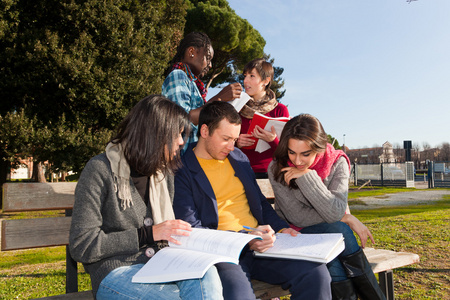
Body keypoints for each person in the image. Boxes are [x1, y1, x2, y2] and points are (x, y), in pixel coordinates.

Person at [173, 101, 332, 300]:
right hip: (224, 254)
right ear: (205, 131)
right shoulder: (182, 170)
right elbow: (192, 229)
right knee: (239, 296)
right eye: (226, 139)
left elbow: (261, 203)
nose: (232, 146)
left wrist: (282, 229)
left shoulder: (238, 158)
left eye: (235, 139)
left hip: (262, 245)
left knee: (315, 273)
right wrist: (245, 239)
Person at [69, 95, 223, 300]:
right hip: (116, 271)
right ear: (154, 134)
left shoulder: (163, 173)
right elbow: (82, 245)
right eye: (176, 134)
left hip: (163, 265)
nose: (180, 141)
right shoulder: (99, 170)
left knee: (208, 274)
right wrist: (147, 234)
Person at [268, 114, 386, 300]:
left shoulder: (337, 162)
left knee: (335, 254)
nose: (297, 161)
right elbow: (297, 216)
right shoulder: (278, 167)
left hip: (327, 233)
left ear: (320, 147)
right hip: (294, 234)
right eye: (292, 152)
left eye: (305, 154)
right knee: (339, 229)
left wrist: (307, 177)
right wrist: (345, 217)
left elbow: (335, 211)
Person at [162, 31, 242, 150]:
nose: (210, 65)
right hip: (178, 157)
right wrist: (218, 98)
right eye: (208, 58)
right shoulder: (178, 75)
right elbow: (182, 118)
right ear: (192, 52)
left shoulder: (194, 85)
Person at [236, 58, 290, 178]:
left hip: (271, 174)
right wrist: (236, 142)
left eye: (251, 76)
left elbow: (287, 150)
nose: (245, 81)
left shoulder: (280, 110)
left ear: (266, 81)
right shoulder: (237, 108)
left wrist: (273, 140)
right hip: (241, 172)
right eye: (245, 76)